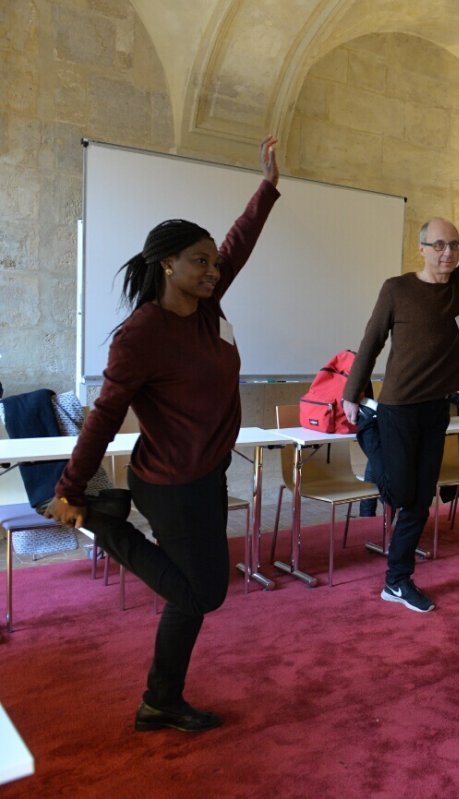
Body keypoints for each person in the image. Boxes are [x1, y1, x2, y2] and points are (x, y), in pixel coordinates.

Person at [44, 136, 282, 733]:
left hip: (206, 471)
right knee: (206, 592)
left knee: (189, 596)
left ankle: (160, 700)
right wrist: (72, 490)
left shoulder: (206, 306)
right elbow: (102, 417)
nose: (212, 269)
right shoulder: (140, 334)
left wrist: (268, 188)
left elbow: (238, 245)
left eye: (213, 263)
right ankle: (104, 522)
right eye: (199, 261)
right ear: (168, 264)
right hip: (170, 482)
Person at [342, 139, 459, 613]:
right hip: (398, 407)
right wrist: (351, 393)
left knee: (420, 499)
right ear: (423, 248)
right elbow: (370, 342)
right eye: (440, 245)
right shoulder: (397, 289)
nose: (448, 253)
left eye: (453, 245)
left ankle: (397, 579)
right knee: (402, 490)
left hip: (436, 409)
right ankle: (369, 434)